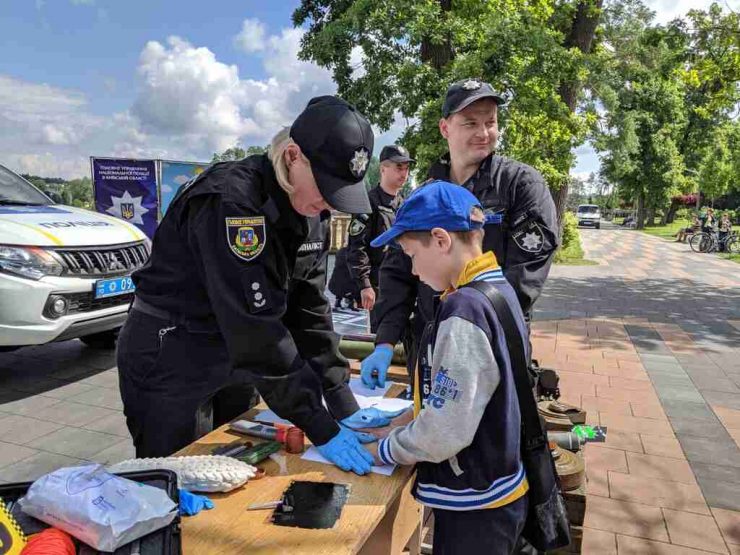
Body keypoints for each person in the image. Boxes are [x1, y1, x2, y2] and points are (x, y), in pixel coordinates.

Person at [117, 95, 401, 475]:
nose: (329, 203)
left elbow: (310, 309)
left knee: (240, 468)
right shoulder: (232, 203)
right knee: (172, 479)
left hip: (235, 356)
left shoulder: (309, 208)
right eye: (325, 187)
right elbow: (258, 330)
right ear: (292, 156)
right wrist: (321, 427)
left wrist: (340, 399)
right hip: (173, 351)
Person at [362, 78, 558, 389]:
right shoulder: (425, 194)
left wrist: (468, 325)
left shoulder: (520, 185)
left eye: (490, 122)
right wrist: (385, 342)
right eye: (470, 123)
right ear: (445, 128)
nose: (483, 133)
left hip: (490, 345)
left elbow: (523, 278)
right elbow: (398, 272)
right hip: (429, 346)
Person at [367, 181, 529, 555]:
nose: (411, 268)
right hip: (495, 489)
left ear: (441, 240)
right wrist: (405, 418)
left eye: (410, 254)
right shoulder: (497, 290)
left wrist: (385, 450)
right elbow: (469, 394)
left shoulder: (465, 310)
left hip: (476, 503)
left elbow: (444, 432)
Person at [346, 145, 414, 331]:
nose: (404, 173)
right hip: (379, 286)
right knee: (382, 339)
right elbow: (356, 247)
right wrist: (365, 285)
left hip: (404, 283)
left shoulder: (406, 205)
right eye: (399, 167)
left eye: (407, 168)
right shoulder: (368, 203)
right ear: (383, 168)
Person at [328, 246, 361, 311]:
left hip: (333, 287)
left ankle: (338, 300)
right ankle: (352, 302)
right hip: (349, 289)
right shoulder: (356, 254)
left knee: (341, 276)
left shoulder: (340, 252)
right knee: (359, 281)